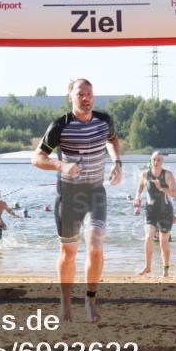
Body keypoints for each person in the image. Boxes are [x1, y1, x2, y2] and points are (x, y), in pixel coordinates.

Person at [32, 78, 121, 322]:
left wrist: (117, 162)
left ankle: (91, 300)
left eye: (90, 93)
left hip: (95, 193)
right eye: (80, 93)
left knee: (95, 246)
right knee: (68, 252)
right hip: (69, 197)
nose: (86, 97)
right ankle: (65, 302)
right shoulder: (60, 125)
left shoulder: (104, 121)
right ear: (70, 97)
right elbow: (37, 158)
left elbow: (112, 140)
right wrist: (61, 165)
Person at [133, 151, 176, 277]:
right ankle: (147, 267)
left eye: (159, 160)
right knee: (148, 237)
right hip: (150, 210)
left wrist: (161, 188)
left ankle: (165, 269)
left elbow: (175, 193)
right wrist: (137, 197)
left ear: (162, 161)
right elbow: (140, 187)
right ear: (151, 160)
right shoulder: (145, 174)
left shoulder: (167, 175)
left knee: (163, 241)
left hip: (165, 211)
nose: (156, 162)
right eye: (154, 159)